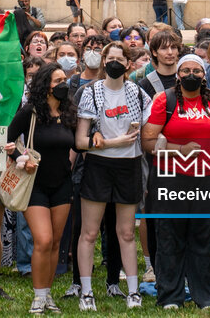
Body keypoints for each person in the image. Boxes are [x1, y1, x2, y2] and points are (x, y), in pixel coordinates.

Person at [141, 54, 210, 310]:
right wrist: (179, 149)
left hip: (208, 178)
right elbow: (148, 141)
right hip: (170, 177)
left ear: (204, 75)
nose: (192, 75)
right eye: (186, 70)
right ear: (178, 75)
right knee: (170, 235)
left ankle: (206, 297)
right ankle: (171, 296)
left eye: (197, 70)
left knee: (205, 236)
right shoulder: (165, 100)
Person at [75, 41, 150, 310]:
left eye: (120, 59)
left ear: (129, 64)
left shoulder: (138, 93)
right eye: (110, 58)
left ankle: (133, 291)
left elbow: (150, 129)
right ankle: (86, 292)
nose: (115, 63)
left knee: (126, 233)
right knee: (89, 232)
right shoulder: (91, 92)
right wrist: (111, 142)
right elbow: (80, 141)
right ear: (103, 61)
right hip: (99, 166)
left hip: (129, 166)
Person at [7, 62, 77, 314]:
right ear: (46, 85)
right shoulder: (31, 112)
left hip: (62, 184)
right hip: (34, 184)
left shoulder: (69, 112)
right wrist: (21, 159)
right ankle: (37, 297)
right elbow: (7, 140)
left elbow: (78, 144)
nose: (63, 85)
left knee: (55, 243)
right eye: (57, 81)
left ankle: (47, 295)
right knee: (43, 240)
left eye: (64, 80)